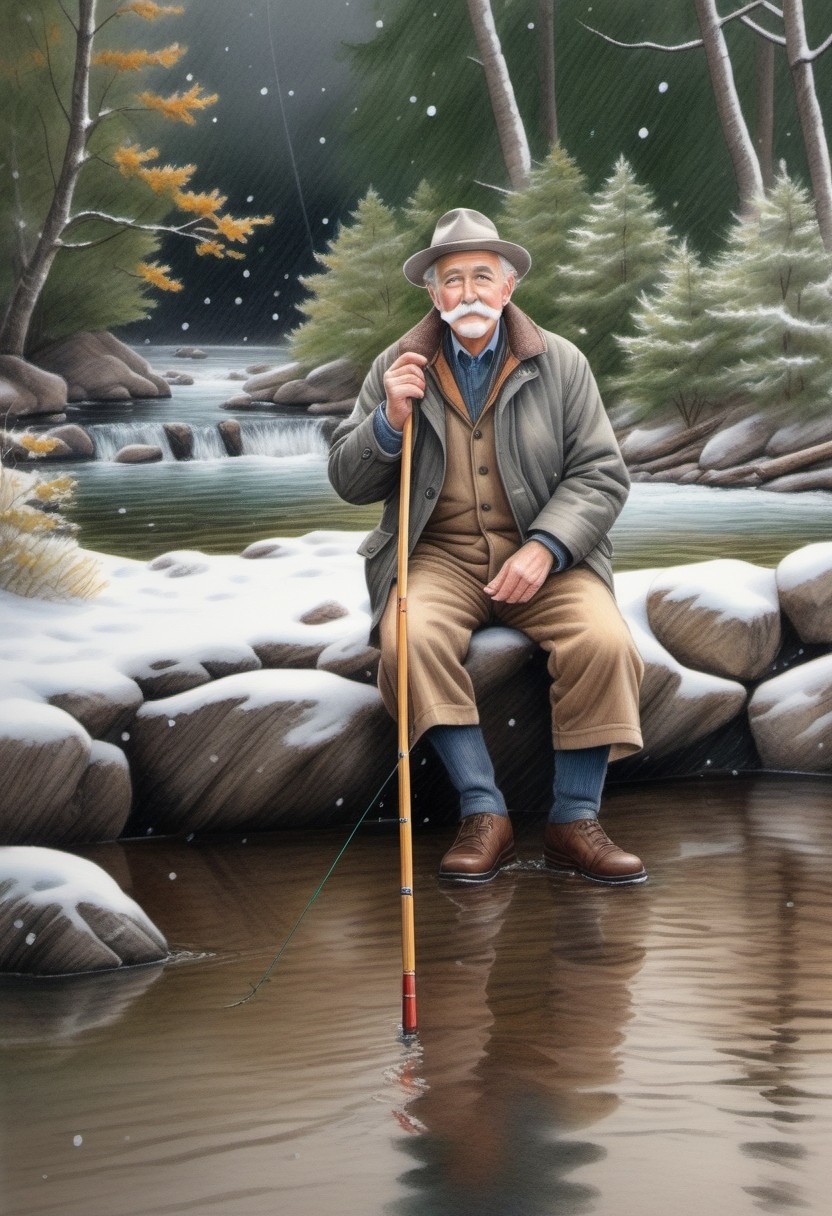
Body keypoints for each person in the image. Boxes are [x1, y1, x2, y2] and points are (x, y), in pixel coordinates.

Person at [328, 207, 646, 885]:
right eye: (452, 279)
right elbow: (349, 483)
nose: (467, 292)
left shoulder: (560, 363)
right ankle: (484, 812)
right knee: (407, 639)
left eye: (481, 277)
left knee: (604, 641)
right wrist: (389, 420)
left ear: (507, 289)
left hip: (546, 555)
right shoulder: (397, 365)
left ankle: (573, 821)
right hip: (437, 554)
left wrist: (546, 547)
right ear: (433, 295)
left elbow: (601, 473)